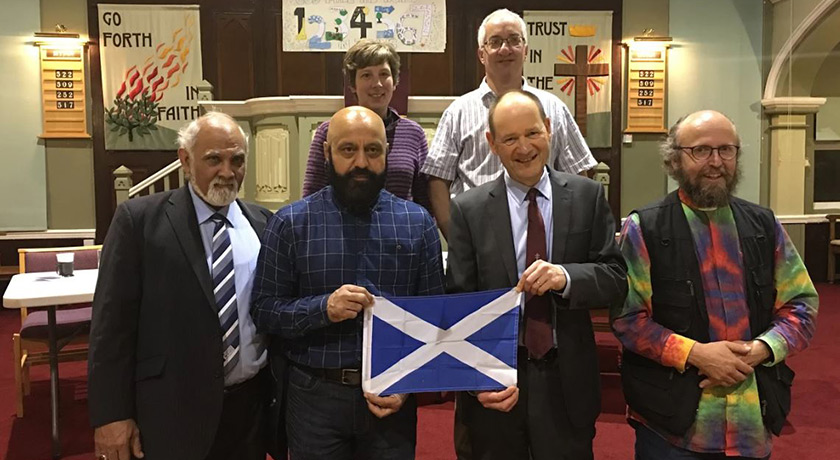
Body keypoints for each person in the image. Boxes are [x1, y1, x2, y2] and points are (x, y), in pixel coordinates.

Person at [613, 110, 819, 459]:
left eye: (727, 150)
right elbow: (628, 320)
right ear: (674, 159)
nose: (716, 162)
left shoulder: (763, 225)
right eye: (701, 151)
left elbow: (801, 305)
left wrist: (761, 349)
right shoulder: (644, 228)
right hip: (671, 423)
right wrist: (696, 354)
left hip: (751, 419)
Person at [251, 106, 445, 460]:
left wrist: (406, 386)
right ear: (327, 153)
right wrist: (322, 308)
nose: (361, 162)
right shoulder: (291, 223)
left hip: (391, 397)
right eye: (347, 149)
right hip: (314, 396)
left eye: (373, 150)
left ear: (386, 153)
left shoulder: (418, 224)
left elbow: (434, 322)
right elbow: (264, 311)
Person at [446, 90, 627, 460]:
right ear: (491, 144)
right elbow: (458, 306)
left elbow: (615, 277)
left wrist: (566, 276)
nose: (524, 147)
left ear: (548, 129)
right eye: (510, 138)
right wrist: (477, 379)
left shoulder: (587, 196)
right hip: (497, 384)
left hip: (567, 381)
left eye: (531, 133)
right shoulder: (468, 210)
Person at [88, 112, 277, 460]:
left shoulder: (263, 224)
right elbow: (111, 328)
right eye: (213, 160)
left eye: (237, 160)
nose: (227, 171)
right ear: (186, 161)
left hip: (249, 412)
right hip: (171, 412)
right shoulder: (139, 221)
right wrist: (111, 414)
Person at [422, 8, 597, 241]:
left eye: (514, 40)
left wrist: (572, 238)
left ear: (525, 50)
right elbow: (437, 181)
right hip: (479, 240)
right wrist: (457, 240)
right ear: (481, 54)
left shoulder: (553, 108)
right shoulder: (458, 112)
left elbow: (578, 175)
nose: (505, 49)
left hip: (546, 237)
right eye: (495, 42)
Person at [302, 38, 431, 211]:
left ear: (395, 82)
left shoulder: (413, 133)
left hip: (399, 230)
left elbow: (425, 201)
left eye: (384, 74)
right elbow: (312, 197)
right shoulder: (329, 130)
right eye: (366, 75)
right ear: (353, 85)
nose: (377, 84)